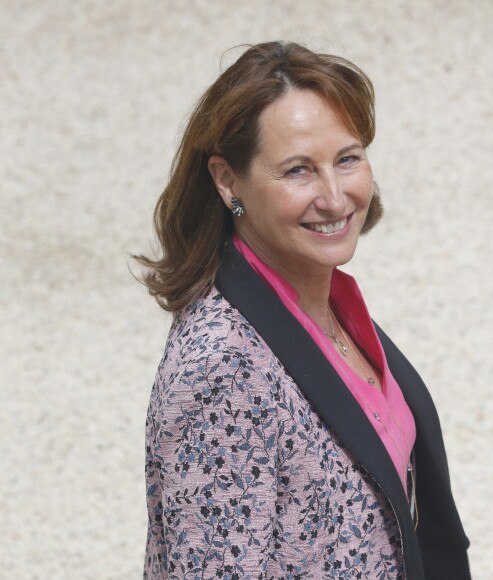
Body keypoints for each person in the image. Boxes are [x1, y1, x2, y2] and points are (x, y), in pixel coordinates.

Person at [136, 41, 470, 580]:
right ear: (228, 181)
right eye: (298, 170)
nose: (336, 198)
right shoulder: (223, 369)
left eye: (347, 158)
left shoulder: (325, 300)